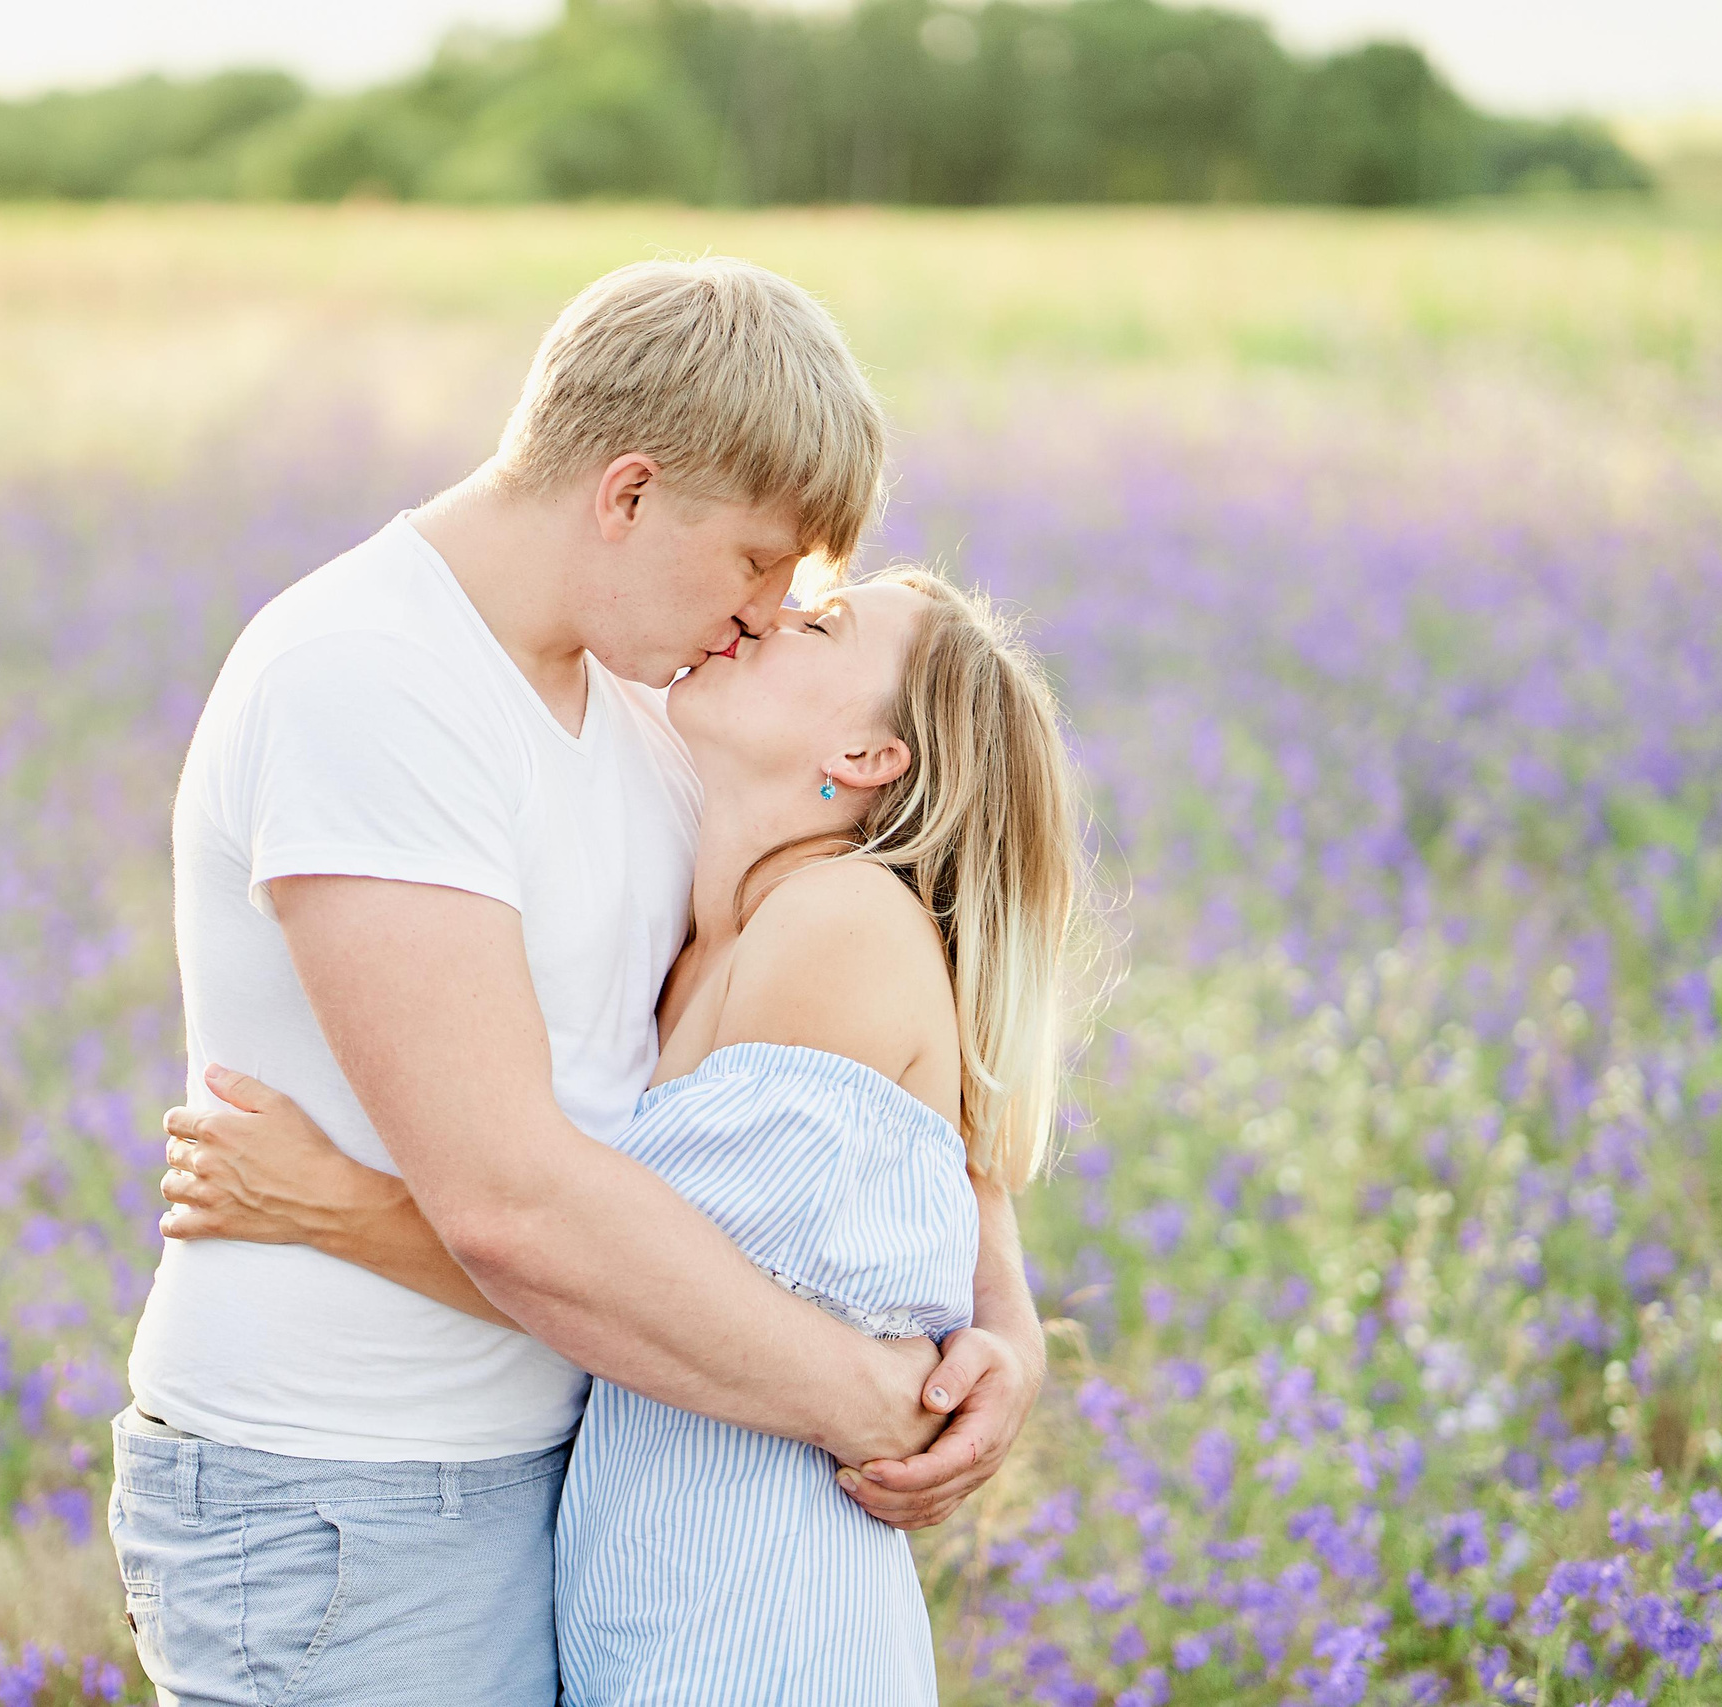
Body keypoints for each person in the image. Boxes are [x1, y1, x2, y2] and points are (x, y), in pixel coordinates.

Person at [118, 257, 1048, 1706]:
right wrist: (872, 1400)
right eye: (757, 562)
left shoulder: (649, 696)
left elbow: (865, 1081)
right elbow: (515, 1201)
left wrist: (1005, 1327)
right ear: (627, 494)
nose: (765, 615)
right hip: (354, 1490)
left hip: (576, 1470)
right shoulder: (371, 679)